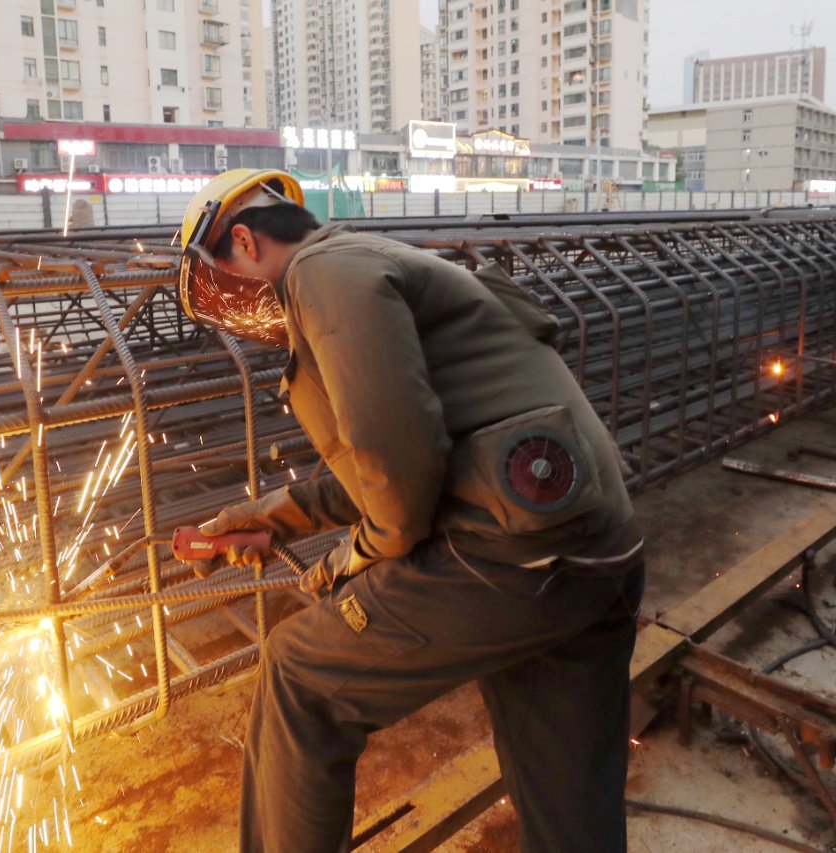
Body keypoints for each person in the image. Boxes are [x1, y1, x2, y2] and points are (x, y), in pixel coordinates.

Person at [176, 169, 644, 853]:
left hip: (507, 557)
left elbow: (399, 466)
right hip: (593, 547)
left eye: (223, 283)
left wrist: (355, 556)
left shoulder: (320, 273)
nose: (238, 310)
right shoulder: (369, 256)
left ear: (244, 242)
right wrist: (276, 516)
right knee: (567, 798)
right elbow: (421, 450)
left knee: (300, 676)